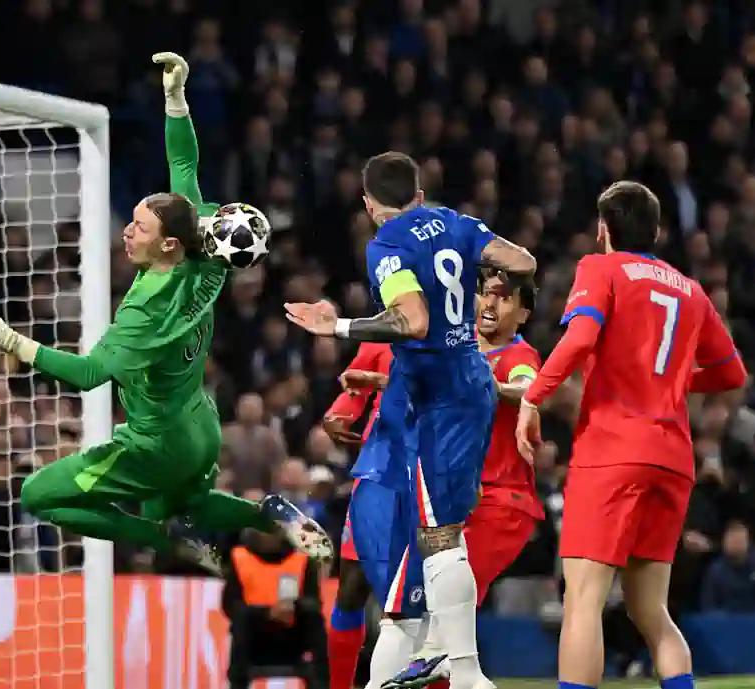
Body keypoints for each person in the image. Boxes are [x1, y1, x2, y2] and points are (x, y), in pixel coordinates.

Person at [0, 51, 332, 573]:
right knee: (186, 503)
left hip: (155, 441)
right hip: (200, 423)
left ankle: (159, 538)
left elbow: (89, 374)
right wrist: (176, 100)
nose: (127, 232)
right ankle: (267, 512)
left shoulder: (146, 310)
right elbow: (184, 166)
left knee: (38, 495)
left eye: (139, 228)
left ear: (169, 244)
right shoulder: (207, 255)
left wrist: (7, 337)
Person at [285, 152, 536, 689]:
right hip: (470, 382)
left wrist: (338, 326)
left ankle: (465, 671)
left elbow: (412, 320)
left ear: (368, 204)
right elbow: (522, 261)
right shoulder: (456, 223)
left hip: (436, 401)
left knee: (437, 541)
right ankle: (448, 667)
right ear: (419, 195)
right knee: (418, 578)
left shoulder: (387, 245)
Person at [514, 181, 748, 689]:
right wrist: (675, 381)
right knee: (651, 610)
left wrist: (533, 396)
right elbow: (732, 373)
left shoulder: (601, 268)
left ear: (603, 230)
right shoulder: (690, 289)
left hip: (613, 450)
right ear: (656, 231)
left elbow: (580, 337)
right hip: (672, 458)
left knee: (583, 600)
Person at [386, 268, 545, 688]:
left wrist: (493, 387)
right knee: (437, 626)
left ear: (524, 313)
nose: (490, 304)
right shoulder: (461, 349)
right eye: (485, 294)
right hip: (455, 502)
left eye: (504, 298)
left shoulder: (518, 355)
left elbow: (528, 388)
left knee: (443, 624)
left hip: (500, 504)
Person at [321, 342, 412, 689]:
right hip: (376, 468)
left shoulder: (453, 329)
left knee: (414, 596)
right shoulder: (379, 333)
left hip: (425, 468)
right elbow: (355, 387)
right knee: (352, 586)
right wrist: (337, 414)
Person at [223, 527, 329, 689]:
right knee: (242, 619)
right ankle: (237, 684)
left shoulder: (301, 558)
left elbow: (314, 602)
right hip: (254, 639)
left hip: (292, 636)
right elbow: (230, 605)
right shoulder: (239, 557)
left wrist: (294, 607)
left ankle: (323, 683)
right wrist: (267, 613)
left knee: (314, 618)